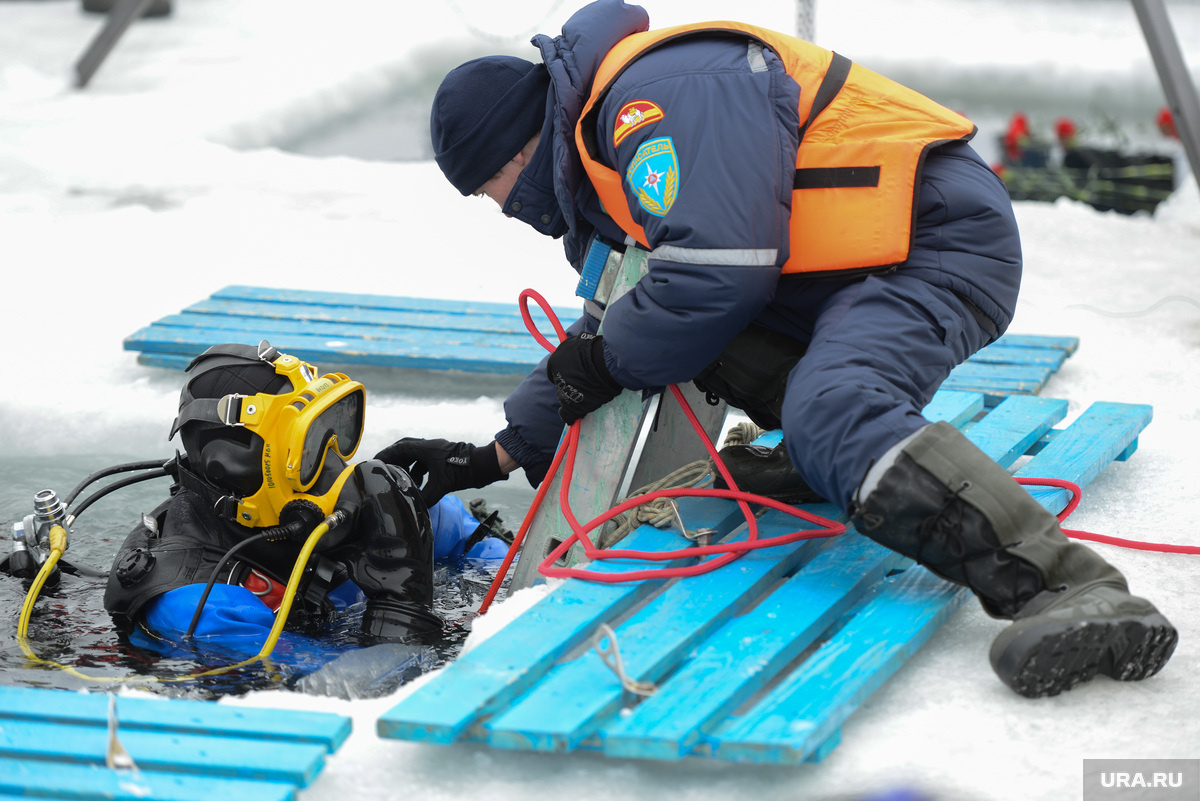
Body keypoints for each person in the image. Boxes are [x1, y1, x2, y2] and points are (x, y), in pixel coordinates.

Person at [376, 0, 1177, 698]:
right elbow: (619, 320)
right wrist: (494, 454)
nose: (504, 209)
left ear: (515, 152)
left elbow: (714, 274)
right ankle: (825, 455)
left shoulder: (656, 98)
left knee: (829, 404)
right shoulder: (598, 159)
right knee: (684, 339)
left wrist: (609, 356)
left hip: (931, 241)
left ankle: (1072, 589)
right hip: (847, 271)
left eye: (490, 190)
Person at [104, 341, 508, 646]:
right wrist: (403, 602)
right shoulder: (202, 608)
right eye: (306, 448)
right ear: (230, 466)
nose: (334, 463)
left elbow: (515, 572)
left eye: (335, 430)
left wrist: (404, 521)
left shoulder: (367, 510)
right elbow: (358, 699)